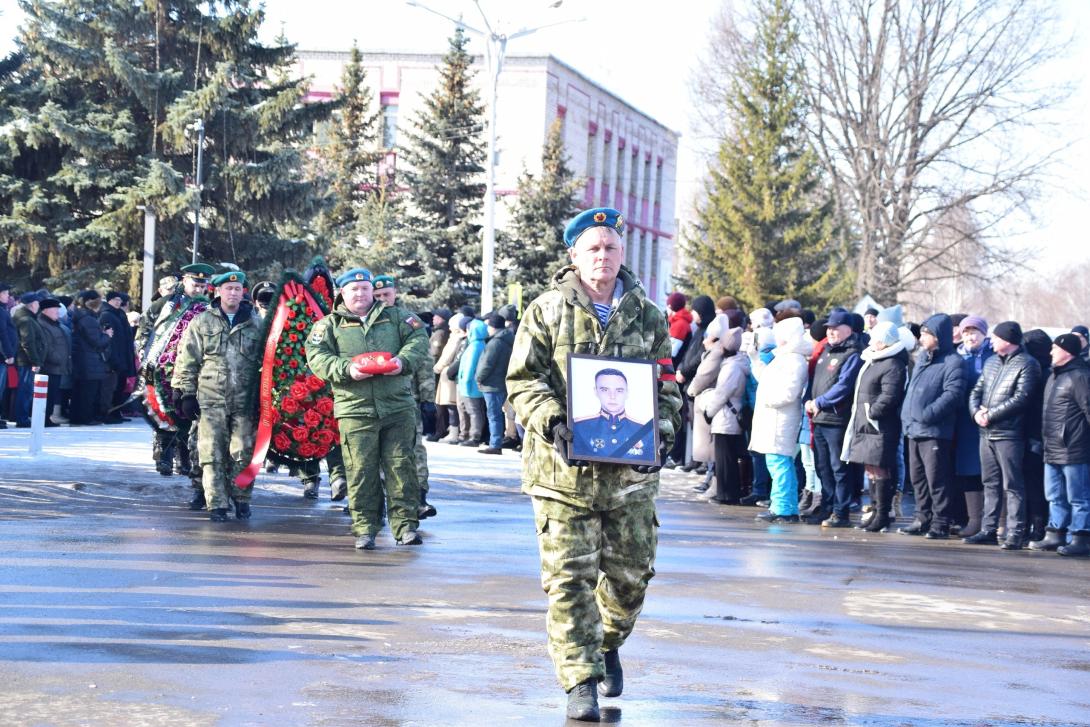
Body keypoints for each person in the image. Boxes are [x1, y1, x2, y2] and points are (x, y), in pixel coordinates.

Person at [507, 207, 681, 721]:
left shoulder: (647, 316)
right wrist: (552, 420)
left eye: (611, 247)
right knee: (568, 580)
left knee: (631, 579)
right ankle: (580, 678)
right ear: (574, 255)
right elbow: (521, 380)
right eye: (593, 248)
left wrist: (662, 434)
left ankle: (607, 641)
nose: (603, 256)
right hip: (562, 476)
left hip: (630, 479)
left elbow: (666, 386)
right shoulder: (545, 311)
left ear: (622, 253)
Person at [306, 268, 430, 549]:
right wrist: (346, 369)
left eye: (365, 289)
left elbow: (419, 340)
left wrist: (402, 362)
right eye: (354, 290)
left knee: (401, 467)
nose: (360, 294)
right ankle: (365, 528)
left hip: (397, 407)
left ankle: (406, 527)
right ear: (342, 293)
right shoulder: (328, 326)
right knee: (360, 470)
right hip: (355, 409)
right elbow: (317, 357)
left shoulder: (396, 316)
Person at [172, 270, 263, 522]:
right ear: (217, 291)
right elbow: (187, 359)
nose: (233, 293)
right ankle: (217, 504)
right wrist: (185, 393)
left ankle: (242, 498)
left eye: (237, 289)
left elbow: (266, 363)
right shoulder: (202, 322)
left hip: (245, 400)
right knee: (211, 454)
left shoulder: (257, 324)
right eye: (228, 289)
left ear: (243, 292)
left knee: (243, 453)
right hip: (210, 399)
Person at [137, 263, 214, 490]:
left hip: (190, 369)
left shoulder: (208, 308)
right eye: (194, 283)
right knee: (163, 412)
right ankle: (163, 457)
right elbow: (146, 328)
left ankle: (185, 458)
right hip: (162, 368)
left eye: (203, 285)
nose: (199, 288)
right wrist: (144, 350)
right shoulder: (166, 304)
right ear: (184, 281)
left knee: (186, 414)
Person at [966, 321, 1041, 549]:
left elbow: (1022, 398)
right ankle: (988, 530)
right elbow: (976, 391)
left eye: (996, 337)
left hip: (1010, 434)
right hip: (985, 432)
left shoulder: (1028, 364)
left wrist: (992, 415)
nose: (992, 341)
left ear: (1008, 341)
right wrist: (976, 412)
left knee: (1013, 485)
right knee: (990, 482)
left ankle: (1015, 532)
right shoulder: (991, 362)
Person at [372, 274, 438, 518]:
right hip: (374, 398)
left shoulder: (409, 321)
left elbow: (423, 362)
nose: (381, 300)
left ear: (394, 293)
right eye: (376, 296)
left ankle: (419, 496)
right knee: (374, 451)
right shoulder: (362, 321)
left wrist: (428, 399)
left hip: (407, 398)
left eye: (385, 295)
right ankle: (375, 499)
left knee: (413, 449)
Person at [899, 314, 965, 538]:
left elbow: (953, 394)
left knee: (937, 479)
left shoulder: (953, 361)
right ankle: (922, 517)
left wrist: (927, 414)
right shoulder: (923, 359)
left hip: (934, 431)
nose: (922, 337)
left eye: (926, 333)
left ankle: (941, 522)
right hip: (913, 429)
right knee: (918, 479)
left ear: (938, 336)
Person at [843, 321, 908, 533]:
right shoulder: (873, 360)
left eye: (876, 338)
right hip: (865, 422)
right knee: (869, 469)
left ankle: (882, 514)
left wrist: (872, 412)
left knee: (879, 469)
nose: (871, 342)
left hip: (879, 425)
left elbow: (890, 395)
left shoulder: (892, 364)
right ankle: (874, 510)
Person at [1030, 333, 1090, 556]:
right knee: (1054, 496)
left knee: (1079, 497)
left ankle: (1081, 537)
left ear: (1067, 351)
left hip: (1074, 449)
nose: (1051, 352)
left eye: (1055, 348)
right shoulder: (1054, 376)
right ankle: (1055, 534)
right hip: (1052, 448)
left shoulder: (1080, 376)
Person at [804, 310, 864, 526]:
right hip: (819, 419)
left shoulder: (852, 354)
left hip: (836, 420)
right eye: (829, 328)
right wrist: (809, 400)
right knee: (822, 467)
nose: (831, 332)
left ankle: (841, 511)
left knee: (838, 468)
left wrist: (819, 402)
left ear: (848, 330)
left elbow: (843, 387)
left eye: (836, 328)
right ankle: (827, 506)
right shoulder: (826, 352)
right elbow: (814, 381)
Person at [749, 317, 811, 522]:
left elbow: (790, 392)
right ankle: (783, 505)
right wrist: (755, 360)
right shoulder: (784, 357)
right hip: (774, 417)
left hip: (781, 418)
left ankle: (784, 507)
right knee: (777, 461)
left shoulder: (794, 359)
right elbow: (766, 378)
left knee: (780, 462)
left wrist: (769, 400)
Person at [697, 315, 750, 504]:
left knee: (725, 458)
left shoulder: (731, 368)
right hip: (732, 416)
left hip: (726, 418)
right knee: (729, 456)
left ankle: (726, 494)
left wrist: (708, 412)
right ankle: (729, 493)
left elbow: (721, 394)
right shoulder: (739, 364)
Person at [954, 315, 992, 536]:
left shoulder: (993, 356)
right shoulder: (957, 356)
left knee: (989, 473)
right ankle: (974, 520)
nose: (970, 336)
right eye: (966, 332)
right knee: (968, 471)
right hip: (964, 422)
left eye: (974, 332)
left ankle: (994, 521)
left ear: (984, 334)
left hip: (987, 419)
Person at [570, 368, 656, 462]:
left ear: (627, 393)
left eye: (619, 390)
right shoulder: (579, 427)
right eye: (605, 390)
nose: (612, 396)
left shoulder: (646, 430)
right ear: (596, 391)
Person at [70, 291, 113, 426]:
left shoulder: (83, 317)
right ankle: (85, 417)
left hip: (84, 360)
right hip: (89, 361)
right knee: (88, 392)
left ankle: (78, 417)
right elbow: (97, 341)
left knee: (81, 391)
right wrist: (107, 335)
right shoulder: (88, 319)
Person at [476, 311, 514, 455]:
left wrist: (479, 378)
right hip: (501, 382)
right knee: (497, 414)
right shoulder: (508, 340)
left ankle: (495, 444)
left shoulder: (495, 343)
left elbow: (487, 364)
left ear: (493, 327)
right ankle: (496, 442)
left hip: (492, 384)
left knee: (494, 415)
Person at [99, 290, 134, 424]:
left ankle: (116, 412)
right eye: (115, 300)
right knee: (111, 388)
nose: (118, 303)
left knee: (120, 387)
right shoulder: (107, 315)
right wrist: (114, 359)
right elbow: (110, 340)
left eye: (119, 300)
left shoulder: (120, 314)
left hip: (123, 356)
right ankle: (108, 413)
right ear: (109, 301)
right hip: (114, 358)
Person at [12, 292, 46, 428]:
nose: (39, 305)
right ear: (33, 304)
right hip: (26, 361)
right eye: (37, 303)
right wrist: (35, 361)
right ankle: (22, 418)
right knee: (25, 390)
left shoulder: (28, 317)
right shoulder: (26, 319)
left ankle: (22, 416)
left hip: (26, 360)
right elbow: (28, 342)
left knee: (25, 389)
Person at [37, 298, 70, 427]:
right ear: (46, 310)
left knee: (52, 393)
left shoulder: (53, 324)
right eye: (55, 309)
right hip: (50, 366)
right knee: (47, 394)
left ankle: (48, 417)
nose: (58, 312)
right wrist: (57, 359)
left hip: (57, 365)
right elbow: (47, 346)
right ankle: (44, 418)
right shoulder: (42, 324)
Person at [433, 313, 466, 444]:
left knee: (451, 404)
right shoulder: (455, 337)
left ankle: (453, 432)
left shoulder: (455, 338)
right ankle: (452, 431)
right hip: (447, 374)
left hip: (448, 374)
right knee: (450, 404)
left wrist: (437, 368)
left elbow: (446, 357)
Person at [456, 318, 488, 447]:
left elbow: (469, 366)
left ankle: (474, 437)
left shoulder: (475, 346)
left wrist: (465, 381)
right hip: (471, 385)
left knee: (474, 411)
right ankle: (471, 435)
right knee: (474, 411)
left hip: (470, 386)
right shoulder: (478, 344)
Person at [0, 283, 16, 428]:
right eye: (5, 293)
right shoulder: (1, 311)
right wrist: (8, 353)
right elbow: (2, 334)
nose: (8, 296)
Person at [665, 292, 692, 358]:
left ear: (670, 306)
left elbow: (672, 352)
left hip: (672, 364)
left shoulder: (680, 324)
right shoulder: (675, 320)